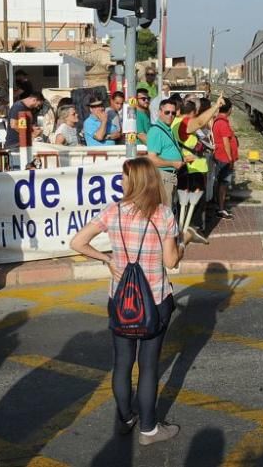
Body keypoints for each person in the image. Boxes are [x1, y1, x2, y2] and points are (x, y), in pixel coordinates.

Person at [70, 157, 183, 446]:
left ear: (134, 181)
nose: (120, 182)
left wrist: (107, 259)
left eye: (124, 177)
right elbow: (171, 262)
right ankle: (149, 429)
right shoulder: (164, 215)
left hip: (120, 300)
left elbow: (77, 242)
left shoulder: (113, 213)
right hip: (155, 299)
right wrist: (183, 245)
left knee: (122, 363)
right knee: (148, 365)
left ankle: (126, 417)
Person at [172, 97, 223, 244]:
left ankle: (184, 230)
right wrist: (215, 106)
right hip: (193, 168)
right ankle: (193, 231)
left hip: (185, 168)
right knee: (195, 203)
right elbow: (200, 122)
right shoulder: (184, 123)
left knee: (183, 203)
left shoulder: (173, 123)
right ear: (193, 113)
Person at [146, 98, 191, 208]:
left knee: (170, 208)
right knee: (165, 210)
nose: (170, 115)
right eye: (167, 112)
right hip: (163, 176)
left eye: (173, 113)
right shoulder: (156, 131)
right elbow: (151, 159)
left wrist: (181, 159)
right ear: (159, 112)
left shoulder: (167, 129)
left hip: (170, 175)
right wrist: (173, 163)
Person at [211, 98, 239, 219]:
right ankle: (221, 209)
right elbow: (226, 142)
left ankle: (220, 206)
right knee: (223, 184)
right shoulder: (222, 123)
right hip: (224, 158)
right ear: (229, 109)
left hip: (221, 156)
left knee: (221, 183)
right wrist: (230, 159)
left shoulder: (219, 121)